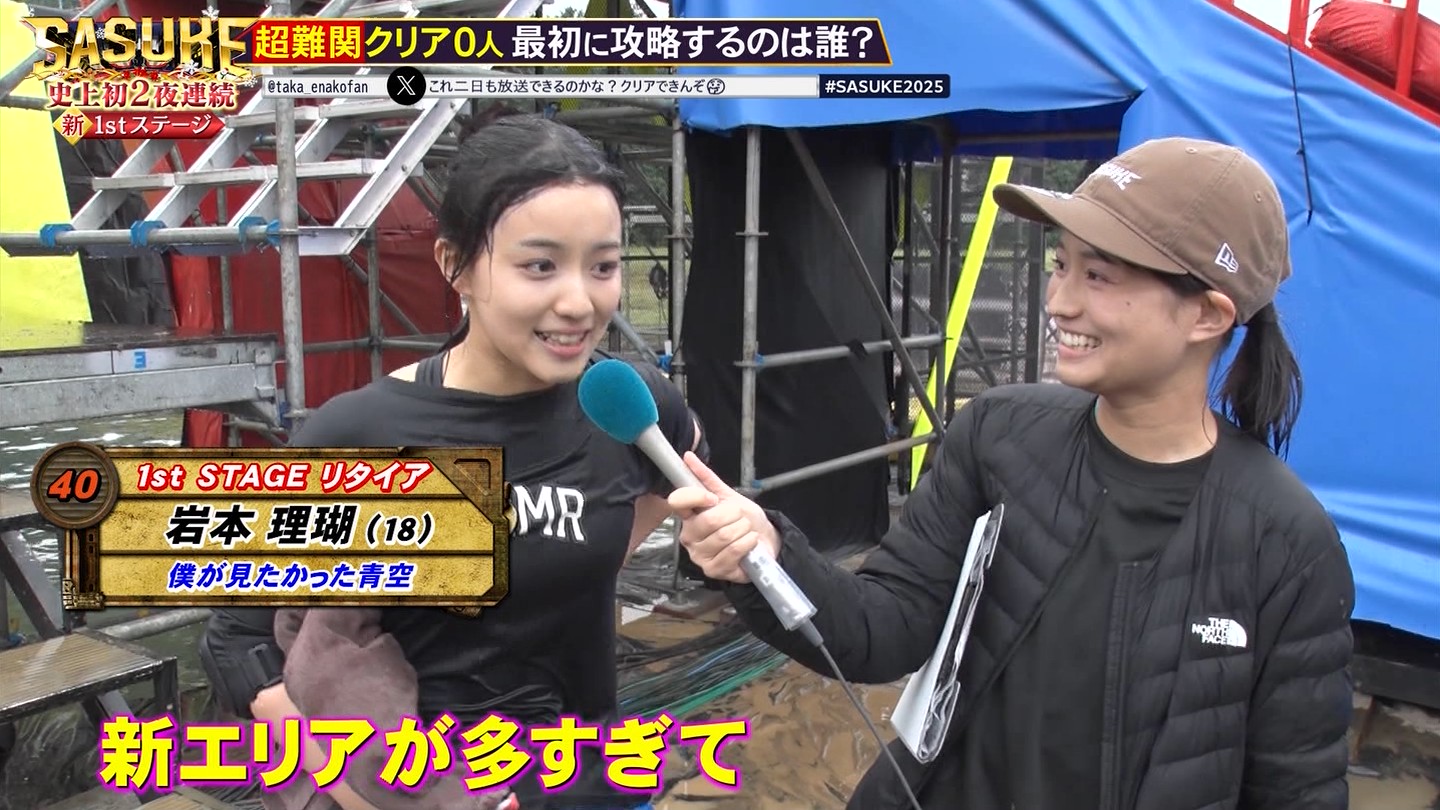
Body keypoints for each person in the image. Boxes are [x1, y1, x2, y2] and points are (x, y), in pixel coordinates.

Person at [668, 137, 1356, 810]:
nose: (1059, 302)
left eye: (1098, 277)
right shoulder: (999, 434)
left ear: (1206, 314)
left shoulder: (1285, 540)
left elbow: (1296, 787)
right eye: (1061, 265)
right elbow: (886, 626)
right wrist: (765, 555)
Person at [199, 113, 707, 810]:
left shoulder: (629, 403)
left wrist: (579, 552)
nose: (578, 302)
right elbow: (238, 636)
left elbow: (681, 468)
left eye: (603, 266)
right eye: (539, 265)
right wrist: (352, 774)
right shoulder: (362, 432)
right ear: (454, 265)